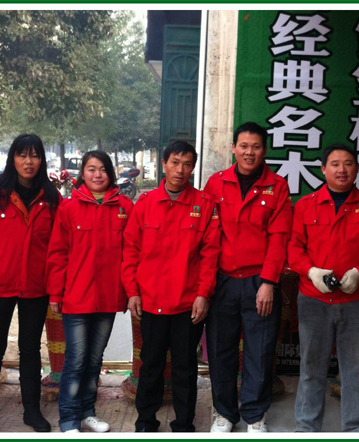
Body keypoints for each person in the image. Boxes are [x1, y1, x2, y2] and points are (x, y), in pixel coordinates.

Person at [288, 143, 359, 432]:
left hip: (357, 302)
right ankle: (306, 429)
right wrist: (310, 271)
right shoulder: (306, 205)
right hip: (314, 301)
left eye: (348, 163)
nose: (342, 169)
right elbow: (293, 247)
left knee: (356, 373)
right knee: (311, 370)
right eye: (335, 164)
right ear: (323, 169)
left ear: (357, 169)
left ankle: (356, 430)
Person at [0, 134, 61, 432]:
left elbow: (59, 244)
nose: (28, 162)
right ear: (13, 158)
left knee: (30, 350)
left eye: (35, 155)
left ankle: (32, 411)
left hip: (36, 286)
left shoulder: (51, 198)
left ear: (42, 160)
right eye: (22, 155)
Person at [122, 140, 221, 432]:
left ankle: (183, 425)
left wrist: (203, 294)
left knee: (185, 367)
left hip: (187, 305)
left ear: (193, 168)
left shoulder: (204, 205)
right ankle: (145, 422)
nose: (180, 170)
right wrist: (132, 292)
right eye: (175, 163)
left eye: (187, 164)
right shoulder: (146, 204)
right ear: (163, 164)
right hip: (151, 302)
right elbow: (130, 251)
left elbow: (210, 255)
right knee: (151, 365)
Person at [204, 122, 292, 433]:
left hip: (259, 281)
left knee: (260, 351)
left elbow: (279, 237)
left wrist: (268, 282)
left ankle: (255, 415)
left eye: (255, 147)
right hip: (223, 282)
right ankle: (224, 414)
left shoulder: (277, 186)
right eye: (243, 146)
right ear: (233, 148)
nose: (249, 152)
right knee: (220, 351)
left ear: (264, 150)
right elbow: (207, 236)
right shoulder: (216, 184)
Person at [45, 151, 134, 433]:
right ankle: (69, 419)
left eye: (103, 169)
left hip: (108, 297)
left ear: (111, 173)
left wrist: (129, 291)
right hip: (77, 297)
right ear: (82, 173)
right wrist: (56, 293)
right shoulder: (69, 208)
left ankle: (87, 413)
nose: (98, 174)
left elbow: (132, 253)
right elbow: (58, 254)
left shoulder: (124, 207)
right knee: (76, 360)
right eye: (91, 169)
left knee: (95, 360)